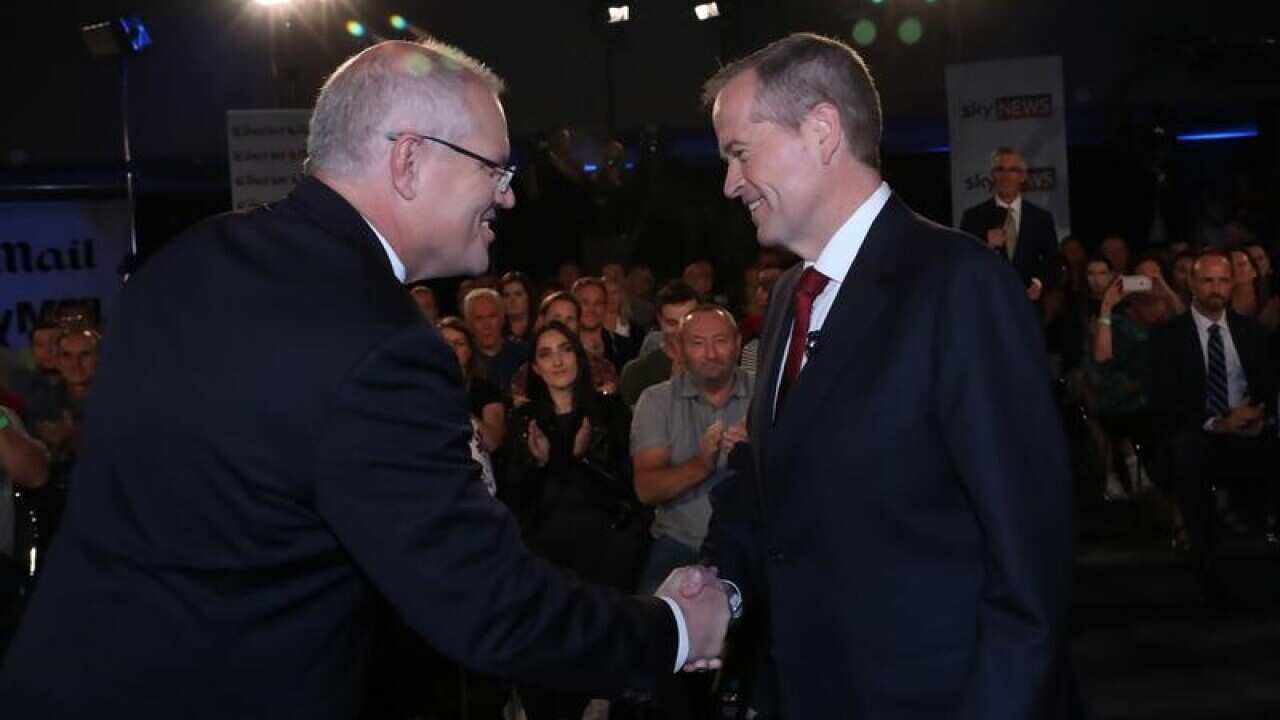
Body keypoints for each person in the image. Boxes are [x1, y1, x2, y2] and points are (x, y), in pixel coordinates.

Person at [0, 40, 728, 718]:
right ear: (409, 160)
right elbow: (485, 606)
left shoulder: (191, 257)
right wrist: (669, 630)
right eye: (495, 170)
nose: (507, 197)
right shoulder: (378, 342)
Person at [685, 33, 1077, 717]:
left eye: (740, 153)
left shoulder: (961, 287)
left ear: (822, 131)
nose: (730, 183)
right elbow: (769, 482)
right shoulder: (786, 301)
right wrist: (719, 585)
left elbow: (1028, 561)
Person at [504, 322, 649, 720]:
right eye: (546, 354)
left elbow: (628, 489)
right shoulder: (524, 422)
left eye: (564, 350)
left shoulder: (610, 412)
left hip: (602, 552)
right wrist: (538, 463)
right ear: (534, 367)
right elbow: (512, 497)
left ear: (578, 358)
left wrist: (587, 457)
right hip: (544, 555)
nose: (557, 361)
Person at [1150, 251, 1276, 604]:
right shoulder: (1169, 338)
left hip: (1249, 430)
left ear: (1232, 284)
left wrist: (1258, 417)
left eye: (1222, 281)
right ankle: (1205, 562)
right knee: (1188, 452)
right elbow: (1164, 401)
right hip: (1196, 432)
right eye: (1207, 280)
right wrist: (1218, 422)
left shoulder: (1252, 333)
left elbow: (1269, 387)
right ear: (1191, 284)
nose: (1215, 288)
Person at [959, 146, 1061, 303]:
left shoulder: (1041, 218)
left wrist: (1039, 284)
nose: (1005, 176)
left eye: (1012, 170)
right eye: (1000, 170)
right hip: (988, 304)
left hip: (1028, 305)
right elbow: (963, 263)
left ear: (1023, 176)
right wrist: (987, 246)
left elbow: (1053, 262)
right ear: (993, 175)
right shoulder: (973, 217)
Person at [437, 316, 504, 494]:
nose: (451, 349)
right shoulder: (422, 391)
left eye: (458, 343)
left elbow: (493, 441)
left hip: (482, 486)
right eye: (445, 342)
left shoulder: (485, 389)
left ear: (469, 351)